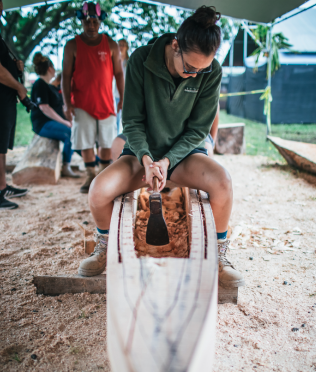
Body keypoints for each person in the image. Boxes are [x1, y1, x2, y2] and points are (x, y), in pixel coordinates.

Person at [78, 6, 244, 289]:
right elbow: (131, 121)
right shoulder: (141, 59)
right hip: (140, 154)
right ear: (175, 46)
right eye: (190, 68)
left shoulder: (209, 71)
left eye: (202, 70)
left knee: (223, 182)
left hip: (184, 156)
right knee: (98, 190)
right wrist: (145, 157)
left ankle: (219, 255)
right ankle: (104, 246)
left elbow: (197, 130)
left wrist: (167, 161)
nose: (195, 75)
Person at [62, 1, 124, 194]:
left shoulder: (111, 44)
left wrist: (123, 97)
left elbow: (120, 74)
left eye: (95, 22)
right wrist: (66, 104)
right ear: (81, 20)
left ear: (100, 22)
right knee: (86, 142)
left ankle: (103, 174)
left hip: (107, 103)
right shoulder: (72, 45)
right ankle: (90, 176)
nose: (91, 25)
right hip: (81, 104)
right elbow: (65, 75)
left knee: (107, 142)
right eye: (87, 21)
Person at [31, 53, 79, 178]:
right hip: (42, 124)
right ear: (50, 68)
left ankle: (93, 160)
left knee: (74, 133)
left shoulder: (47, 86)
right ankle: (66, 166)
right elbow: (44, 108)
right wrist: (64, 123)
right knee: (70, 132)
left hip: (50, 123)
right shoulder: (39, 84)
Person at [0, 0, 28, 210]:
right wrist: (19, 86)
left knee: (2, 147)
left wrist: (15, 66)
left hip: (5, 100)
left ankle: (2, 187)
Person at [115, 38, 129, 134]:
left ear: (127, 47)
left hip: (127, 94)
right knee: (115, 119)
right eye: (119, 45)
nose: (121, 47)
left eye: (123, 45)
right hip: (115, 94)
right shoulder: (115, 60)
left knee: (125, 119)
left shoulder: (129, 61)